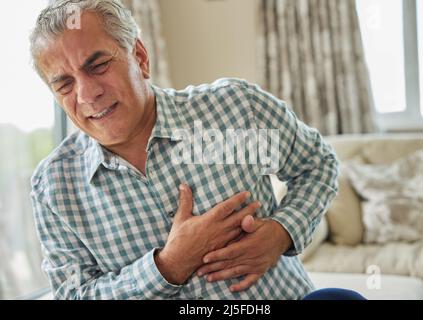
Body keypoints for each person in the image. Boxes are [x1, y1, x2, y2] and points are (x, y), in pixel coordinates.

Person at [29, 0, 359, 300]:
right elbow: (74, 295)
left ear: (140, 58)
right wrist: (168, 267)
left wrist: (282, 232)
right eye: (65, 84)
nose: (87, 94)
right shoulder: (53, 187)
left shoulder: (235, 106)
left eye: (98, 65)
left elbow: (318, 163)